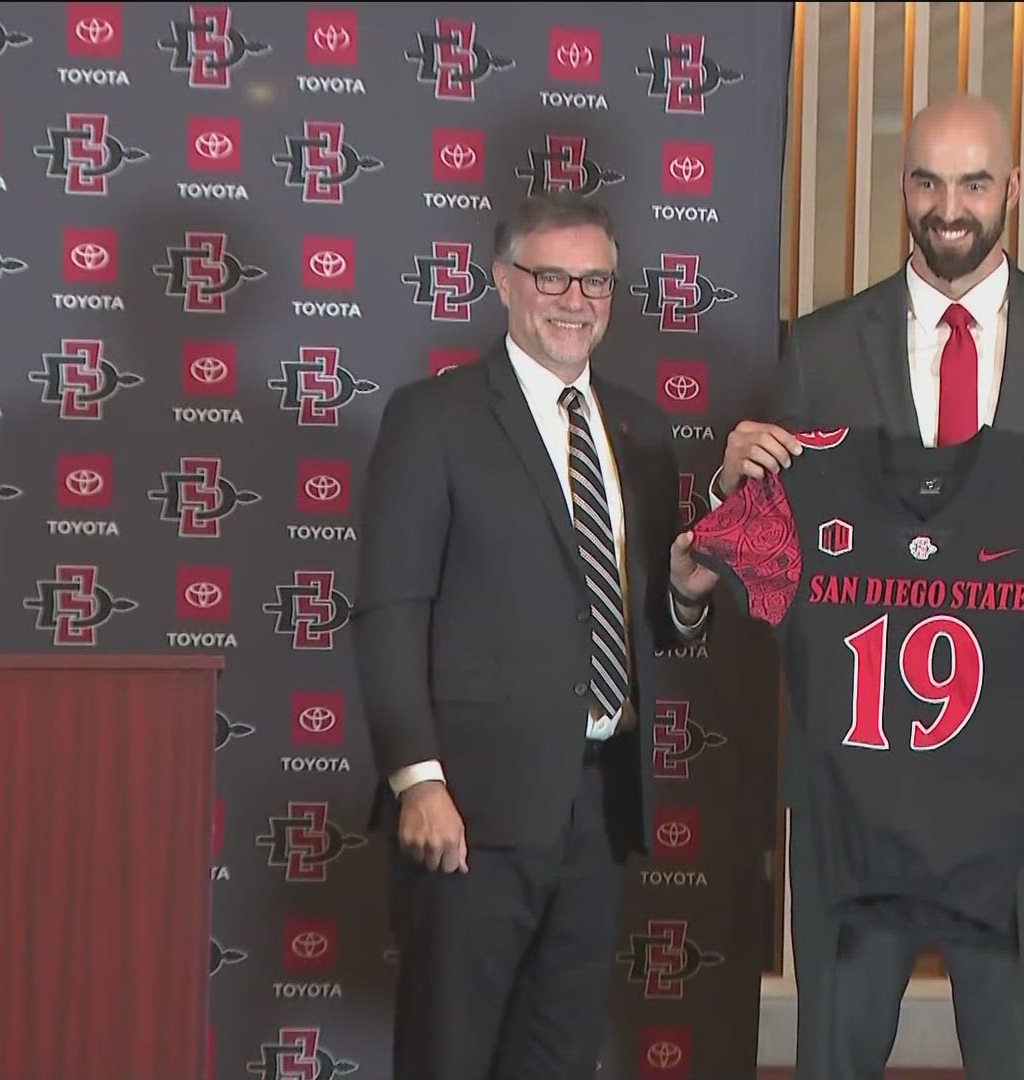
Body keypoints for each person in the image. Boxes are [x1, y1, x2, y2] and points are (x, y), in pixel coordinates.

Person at [713, 93, 1024, 1079]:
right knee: (836, 1048)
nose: (951, 205)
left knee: (1010, 1052)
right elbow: (771, 545)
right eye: (928, 180)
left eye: (975, 181)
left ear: (1012, 188)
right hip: (856, 772)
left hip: (1019, 776)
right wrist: (732, 494)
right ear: (902, 189)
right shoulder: (821, 346)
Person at [351, 192, 717, 1080]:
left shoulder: (640, 429)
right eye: (551, 276)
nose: (574, 298)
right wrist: (418, 782)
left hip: (598, 809)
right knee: (451, 1056)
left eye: (595, 280)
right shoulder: (431, 420)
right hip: (469, 812)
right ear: (502, 282)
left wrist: (684, 595)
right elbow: (389, 614)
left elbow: (645, 630)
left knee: (557, 1059)